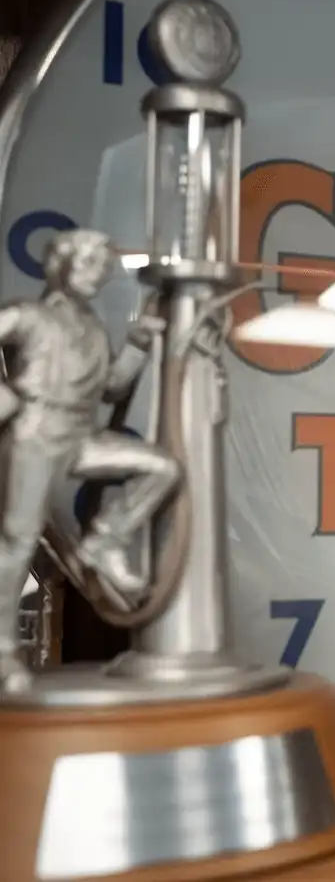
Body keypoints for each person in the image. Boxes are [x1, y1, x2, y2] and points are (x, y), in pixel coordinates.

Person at [0, 229, 178, 690]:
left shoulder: (95, 329)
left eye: (100, 265)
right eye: (86, 262)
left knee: (162, 468)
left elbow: (114, 387)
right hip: (35, 433)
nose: (94, 273)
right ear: (61, 264)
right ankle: (2, 654)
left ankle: (103, 541)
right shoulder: (26, 315)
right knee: (18, 543)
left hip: (79, 435)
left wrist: (139, 343)